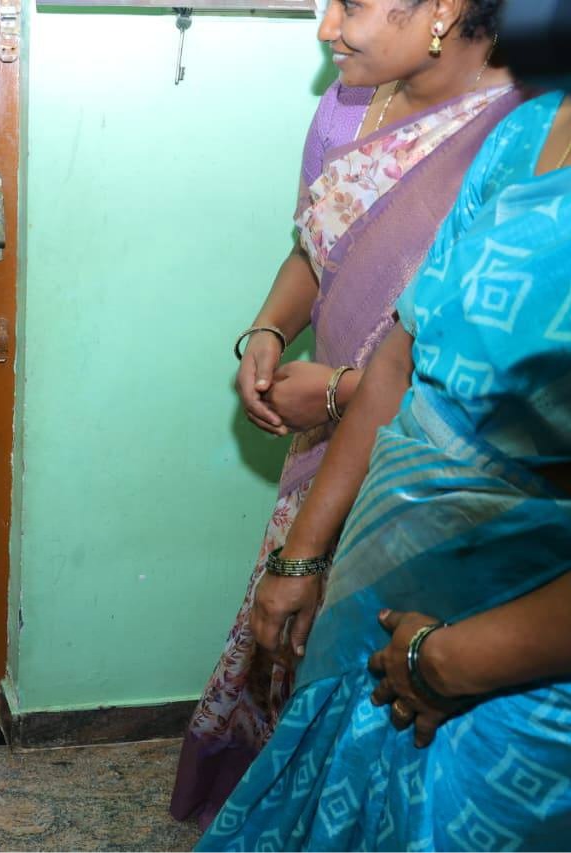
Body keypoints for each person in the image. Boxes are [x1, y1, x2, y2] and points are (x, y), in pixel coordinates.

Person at [170, 0, 523, 827]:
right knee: (300, 654)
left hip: (435, 483)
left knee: (389, 690)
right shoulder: (345, 103)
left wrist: (335, 392)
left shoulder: (527, 134)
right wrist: (268, 327)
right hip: (324, 450)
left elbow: (486, 371)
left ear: (442, 9)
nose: (325, 27)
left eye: (351, 4)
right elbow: (319, 244)